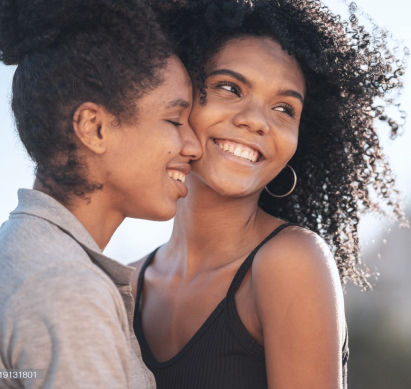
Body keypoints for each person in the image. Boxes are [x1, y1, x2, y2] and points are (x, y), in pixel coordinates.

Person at [131, 0, 407, 388]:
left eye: (283, 108)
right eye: (230, 87)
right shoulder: (125, 282)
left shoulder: (291, 261)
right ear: (180, 95)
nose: (257, 121)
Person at [0, 0, 201, 388]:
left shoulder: (25, 254)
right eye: (175, 120)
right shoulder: (68, 288)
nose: (193, 146)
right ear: (94, 128)